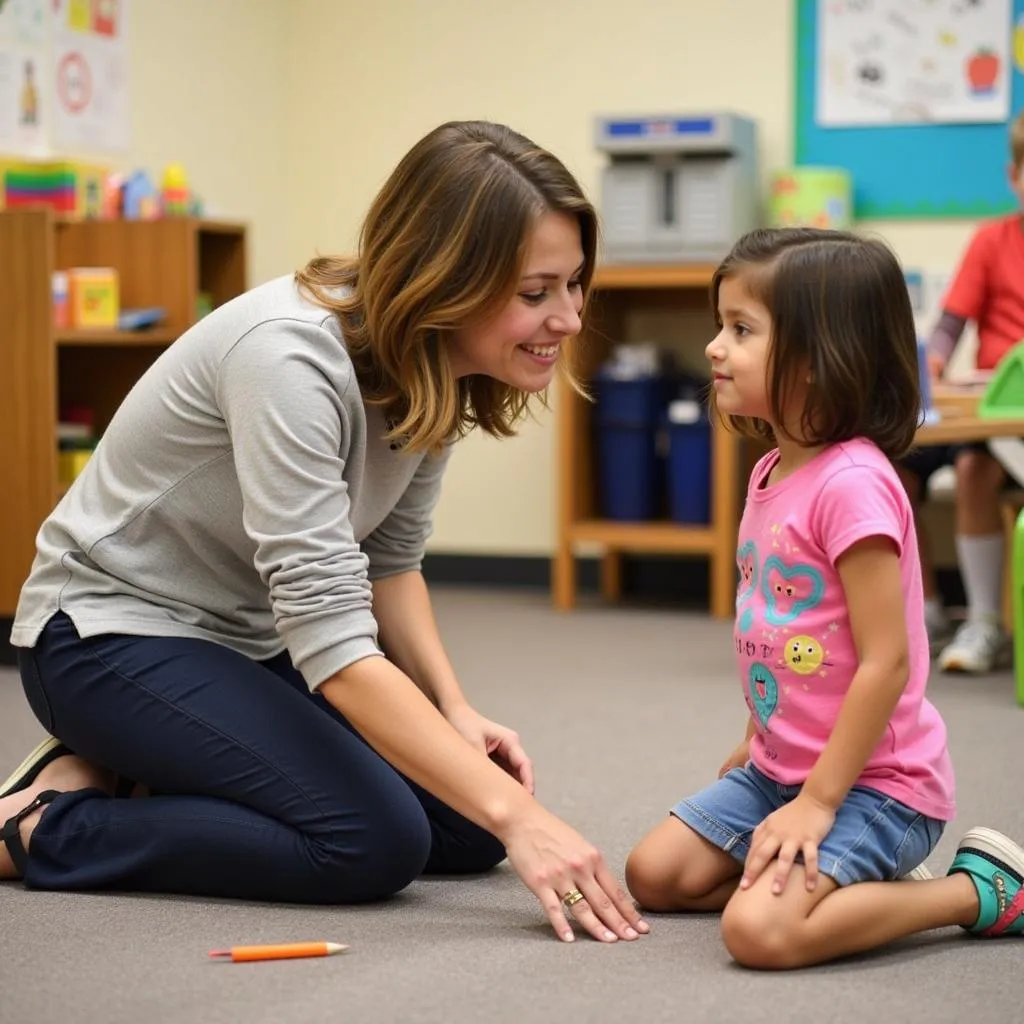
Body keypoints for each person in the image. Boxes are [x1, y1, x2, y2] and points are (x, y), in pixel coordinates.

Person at [0, 120, 647, 947]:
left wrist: (453, 708)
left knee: (468, 826)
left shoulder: (437, 363)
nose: (569, 317)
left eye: (575, 285)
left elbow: (390, 561)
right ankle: (44, 827)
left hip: (244, 641)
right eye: (535, 293)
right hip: (104, 635)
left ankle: (127, 768)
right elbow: (334, 639)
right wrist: (528, 820)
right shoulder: (289, 360)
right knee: (370, 844)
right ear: (443, 277)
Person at [625, 228, 1024, 970]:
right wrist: (758, 738)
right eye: (722, 325)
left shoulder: (854, 484)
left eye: (740, 329)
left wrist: (816, 802)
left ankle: (978, 892)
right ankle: (841, 889)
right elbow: (773, 628)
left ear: (814, 362)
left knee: (758, 935)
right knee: (655, 874)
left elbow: (886, 662)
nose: (715, 346)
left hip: (878, 784)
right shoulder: (774, 468)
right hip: (780, 771)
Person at [897, 111, 1024, 674]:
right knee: (891, 465)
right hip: (984, 411)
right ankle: (922, 612)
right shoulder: (991, 240)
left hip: (1008, 435)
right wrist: (937, 367)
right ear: (1013, 174)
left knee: (974, 468)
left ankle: (986, 622)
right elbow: (948, 328)